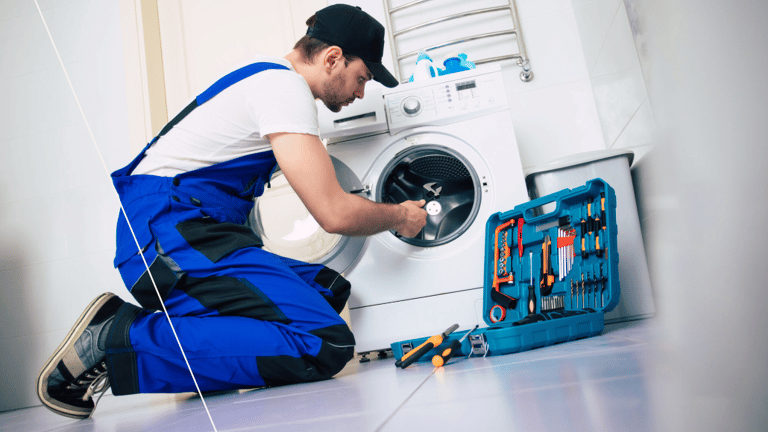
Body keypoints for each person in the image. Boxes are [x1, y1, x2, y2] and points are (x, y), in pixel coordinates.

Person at [37, 4, 427, 420]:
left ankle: (171, 347)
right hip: (166, 235)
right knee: (325, 342)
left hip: (185, 233)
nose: (361, 93)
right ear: (332, 58)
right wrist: (401, 216)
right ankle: (118, 338)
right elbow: (334, 214)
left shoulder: (269, 83)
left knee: (326, 291)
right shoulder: (283, 90)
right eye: (362, 78)